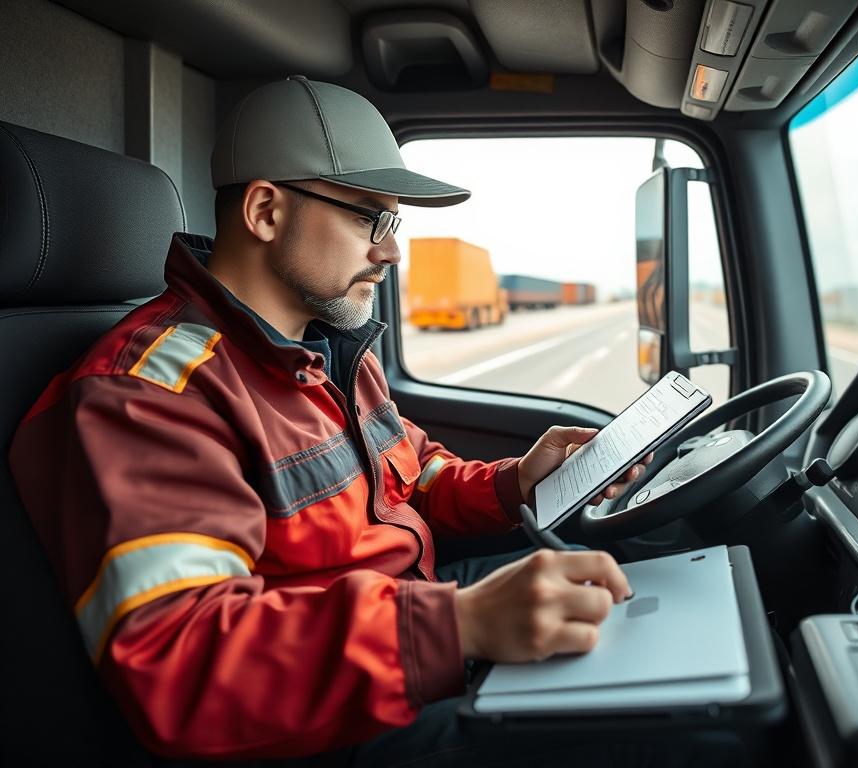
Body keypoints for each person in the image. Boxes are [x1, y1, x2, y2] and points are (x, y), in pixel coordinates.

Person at [8, 76, 662, 763]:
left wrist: (517, 481)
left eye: (394, 223)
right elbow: (181, 655)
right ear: (265, 211)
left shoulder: (330, 351)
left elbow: (415, 478)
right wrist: (458, 625)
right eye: (367, 218)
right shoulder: (153, 393)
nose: (391, 251)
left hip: (404, 637)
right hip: (324, 725)